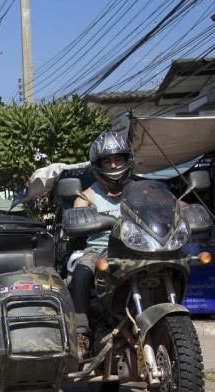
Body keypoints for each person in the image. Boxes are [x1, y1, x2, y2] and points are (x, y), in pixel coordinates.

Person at [69, 131, 134, 355]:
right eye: (107, 160)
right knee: (81, 274)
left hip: (136, 248)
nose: (114, 165)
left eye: (118, 159)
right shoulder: (88, 195)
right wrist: (79, 215)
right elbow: (77, 212)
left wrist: (185, 208)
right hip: (99, 250)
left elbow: (170, 203)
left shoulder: (137, 190)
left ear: (127, 161)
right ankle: (80, 334)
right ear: (98, 165)